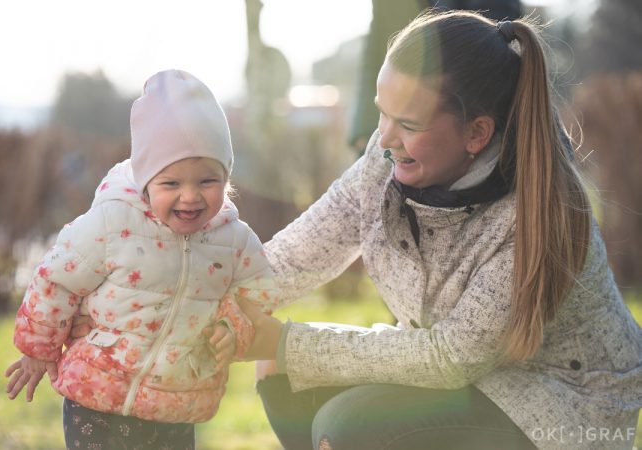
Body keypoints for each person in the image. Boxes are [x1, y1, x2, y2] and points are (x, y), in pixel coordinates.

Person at [232, 10, 641, 450]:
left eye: (408, 124)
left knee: (351, 425)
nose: (385, 139)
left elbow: (450, 357)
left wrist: (288, 343)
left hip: (560, 407)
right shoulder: (390, 155)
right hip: (473, 374)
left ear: (477, 133)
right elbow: (309, 245)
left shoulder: (536, 211)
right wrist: (214, 302)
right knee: (280, 373)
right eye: (382, 115)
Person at [5, 69, 279, 450]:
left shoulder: (234, 241)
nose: (190, 197)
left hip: (178, 402)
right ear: (145, 181)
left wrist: (233, 326)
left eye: (206, 181)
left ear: (227, 177)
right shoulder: (113, 223)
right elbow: (56, 280)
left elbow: (259, 293)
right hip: (96, 397)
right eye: (171, 184)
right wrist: (37, 348)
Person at [349, 0, 522, 154]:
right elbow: (376, 44)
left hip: (453, 110)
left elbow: (491, 43)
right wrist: (363, 128)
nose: (382, 142)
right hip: (398, 113)